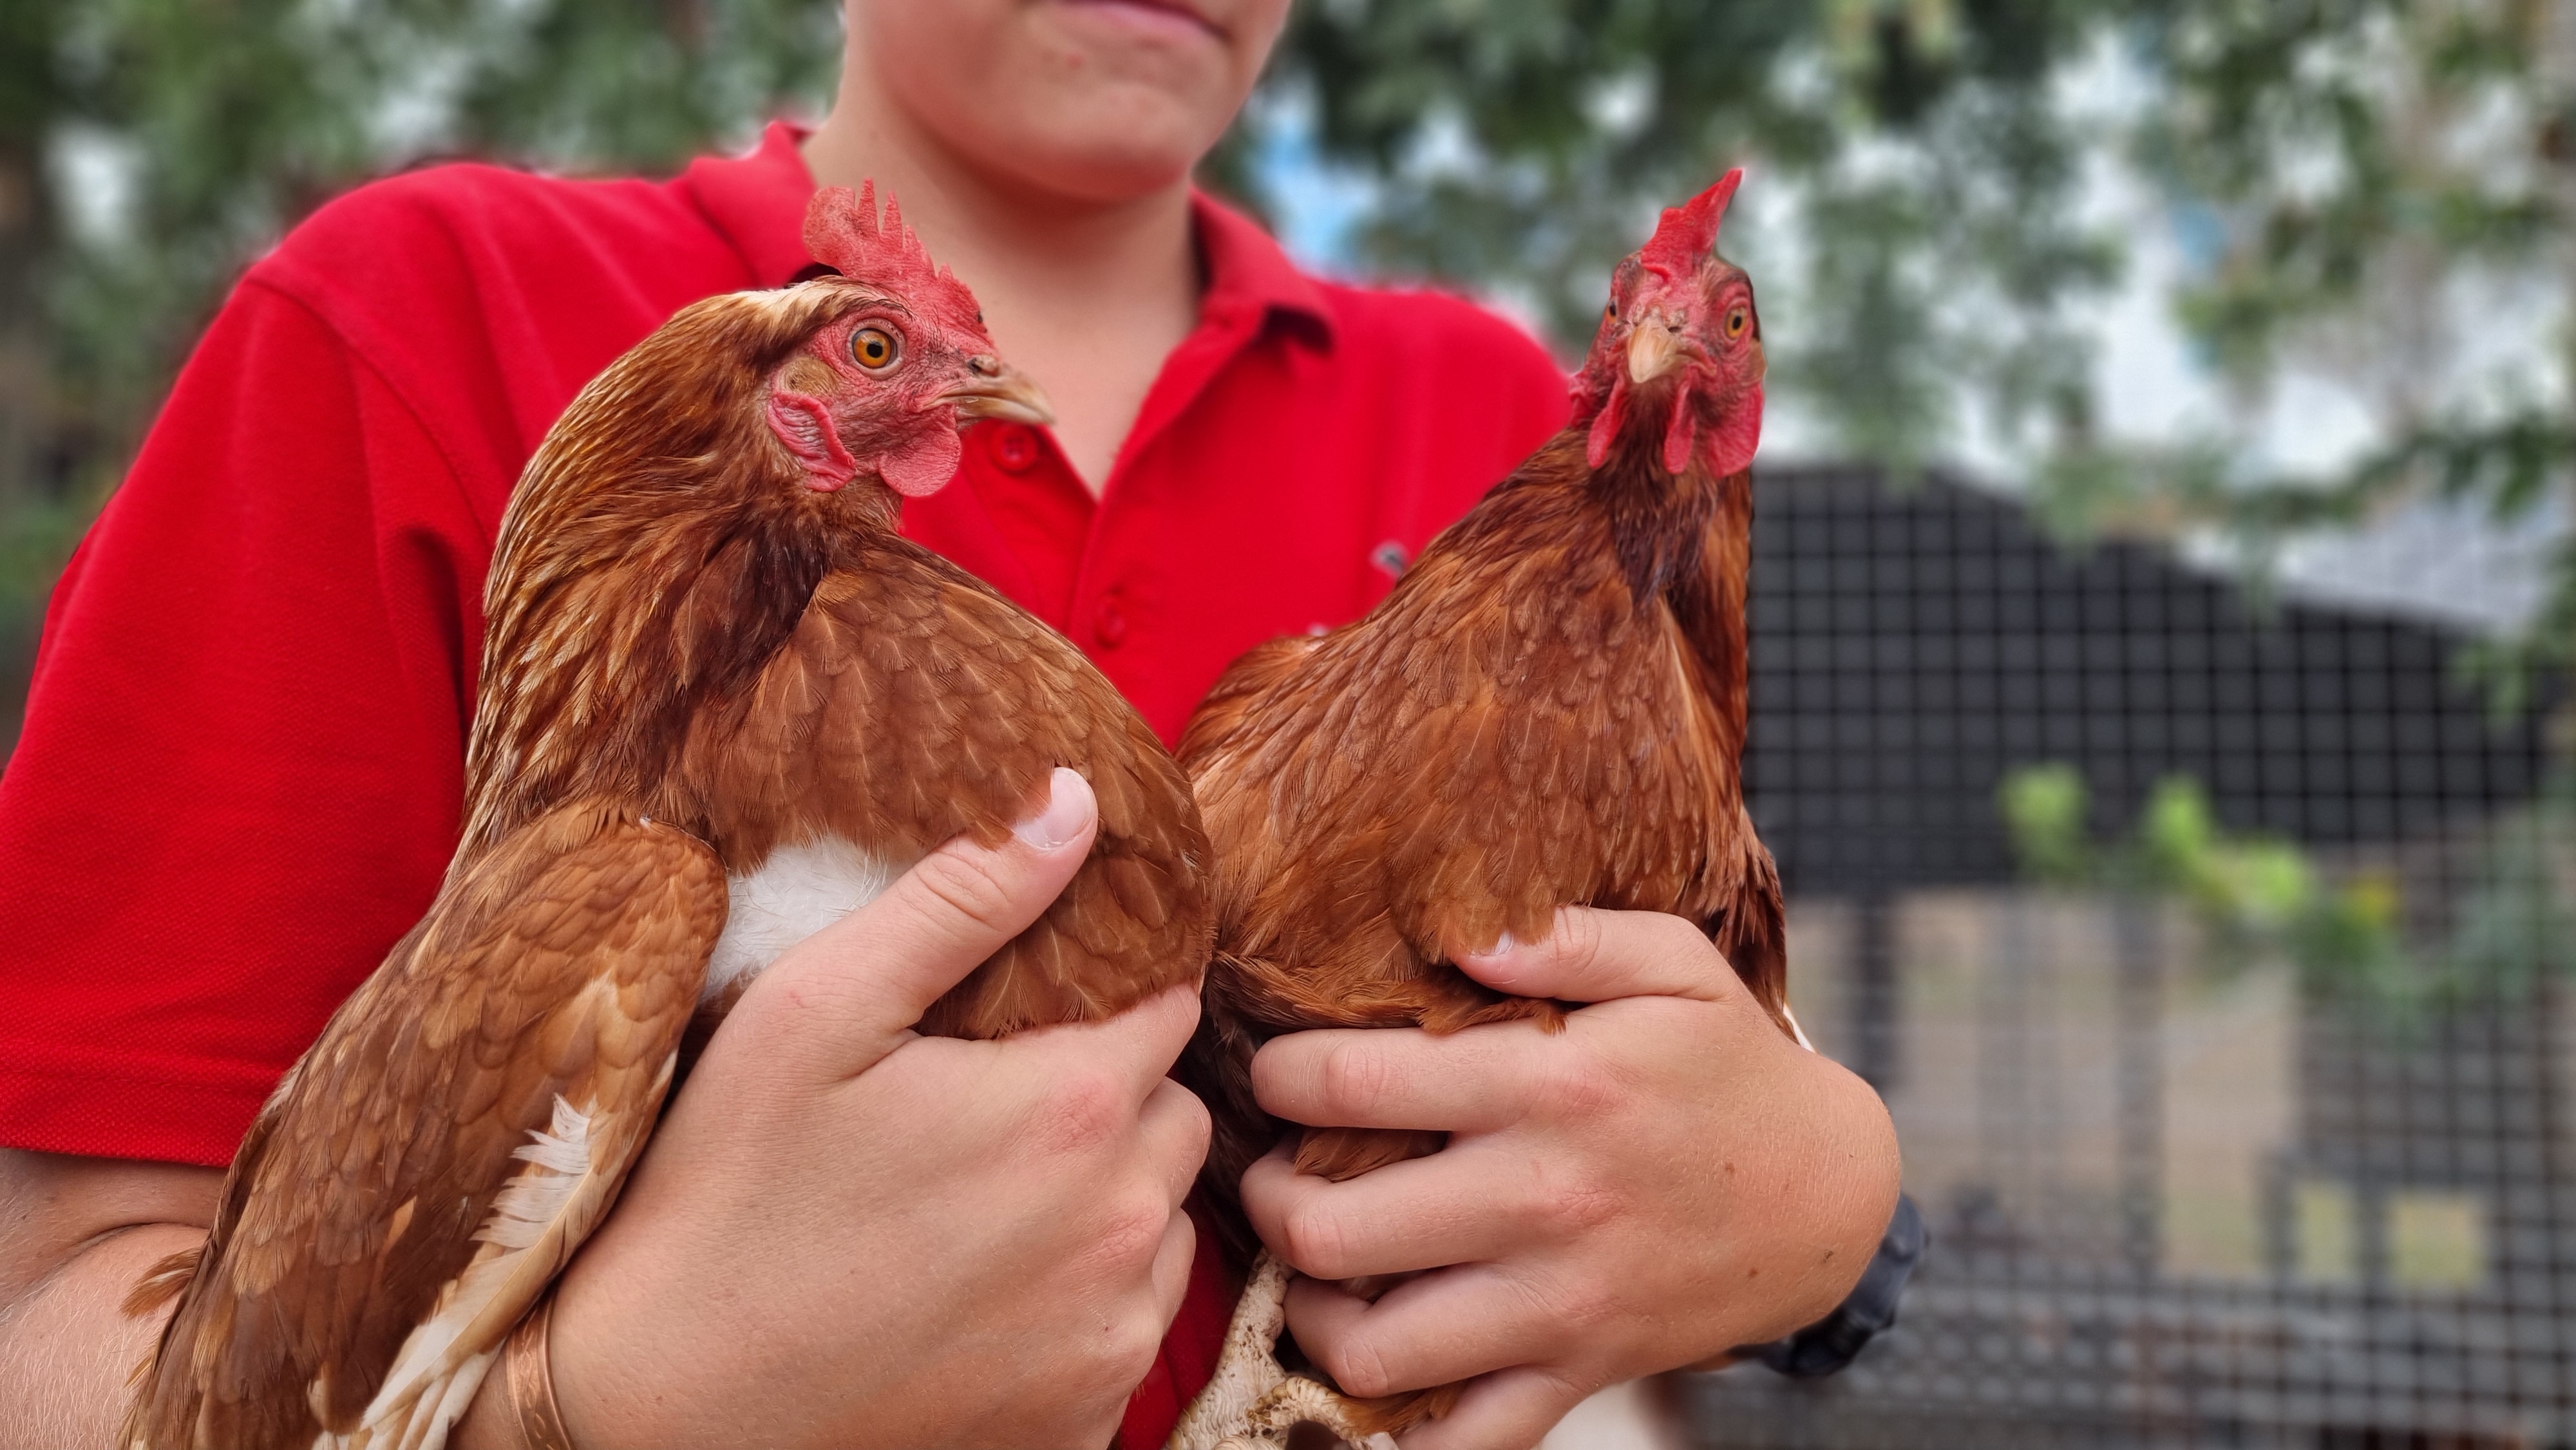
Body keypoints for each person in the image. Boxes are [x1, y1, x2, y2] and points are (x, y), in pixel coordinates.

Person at [0, 2, 1903, 1447]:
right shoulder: (424, 322)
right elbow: (68, 1326)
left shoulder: (1507, 430)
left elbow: (1692, 1035)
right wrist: (596, 1400)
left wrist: (1823, 1216)